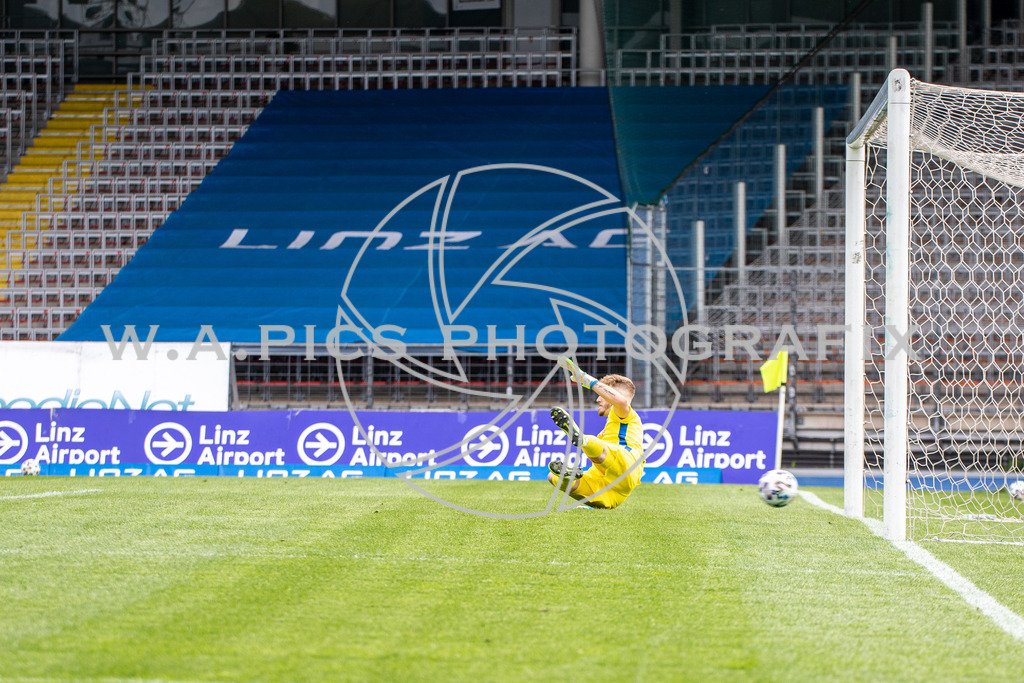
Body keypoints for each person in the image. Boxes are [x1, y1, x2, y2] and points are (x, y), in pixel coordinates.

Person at [547, 356, 644, 509]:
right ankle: (569, 478)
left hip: (626, 465)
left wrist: (583, 378)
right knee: (553, 477)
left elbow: (620, 401)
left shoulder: (626, 413)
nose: (598, 399)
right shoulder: (614, 426)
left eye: (602, 395)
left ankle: (583, 440)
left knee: (598, 445)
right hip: (615, 490)